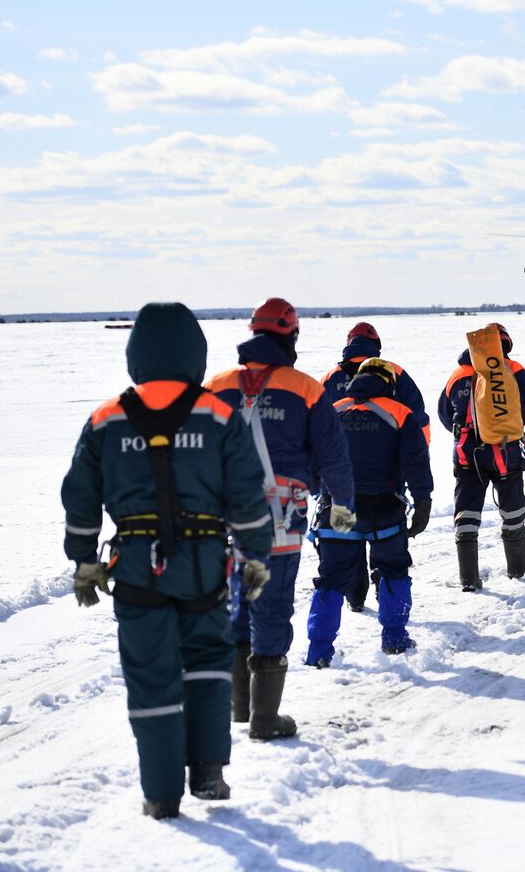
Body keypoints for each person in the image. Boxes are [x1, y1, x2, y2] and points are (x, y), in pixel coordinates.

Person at [61, 302, 276, 818]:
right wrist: (255, 555)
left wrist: (85, 560)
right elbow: (247, 493)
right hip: (203, 564)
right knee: (206, 660)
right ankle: (207, 772)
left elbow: (81, 498)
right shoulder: (219, 415)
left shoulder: (105, 419)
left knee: (150, 674)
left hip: (135, 565)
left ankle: (160, 795)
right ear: (194, 355)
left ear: (136, 354)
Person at [206, 297, 355, 740]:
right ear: (290, 336)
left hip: (223, 518)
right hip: (281, 517)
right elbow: (334, 456)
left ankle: (239, 707)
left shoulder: (215, 385)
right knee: (270, 605)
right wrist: (343, 508)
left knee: (237, 598)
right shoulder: (307, 388)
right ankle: (265, 719)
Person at [305, 358, 432, 664]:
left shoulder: (331, 410)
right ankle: (395, 638)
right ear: (389, 383)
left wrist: (315, 489)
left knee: (331, 577)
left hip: (338, 507)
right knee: (392, 569)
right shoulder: (401, 414)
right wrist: (423, 502)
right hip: (384, 508)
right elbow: (416, 462)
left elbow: (310, 456)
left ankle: (318, 651)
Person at [321, 321, 428, 613]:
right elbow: (419, 423)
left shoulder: (330, 378)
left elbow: (315, 435)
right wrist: (409, 464)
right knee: (387, 545)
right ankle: (387, 601)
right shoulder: (394, 372)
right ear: (376, 345)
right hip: (387, 479)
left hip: (339, 486)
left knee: (346, 541)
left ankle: (355, 596)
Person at [437, 323, 525, 590]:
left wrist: (469, 432)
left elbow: (445, 416)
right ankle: (517, 566)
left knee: (467, 512)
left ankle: (469, 578)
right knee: (513, 507)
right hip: (505, 452)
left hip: (466, 454)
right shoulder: (514, 370)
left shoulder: (456, 375)